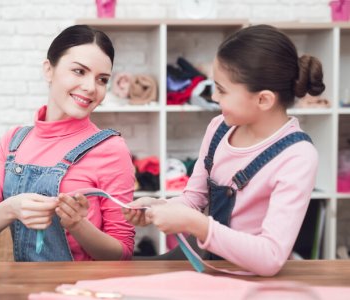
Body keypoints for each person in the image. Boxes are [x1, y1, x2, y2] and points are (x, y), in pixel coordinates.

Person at [124, 24, 324, 276]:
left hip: (251, 281)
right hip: (209, 265)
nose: (214, 98)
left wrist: (196, 224)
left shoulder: (298, 157)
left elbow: (271, 257)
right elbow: (193, 200)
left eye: (222, 90)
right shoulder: (219, 127)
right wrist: (158, 207)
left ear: (264, 99)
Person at [0, 25, 135, 261]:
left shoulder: (111, 149)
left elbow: (122, 253)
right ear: (49, 70)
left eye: (102, 79)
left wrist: (78, 225)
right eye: (79, 71)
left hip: (83, 292)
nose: (90, 87)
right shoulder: (13, 142)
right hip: (26, 289)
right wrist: (11, 209)